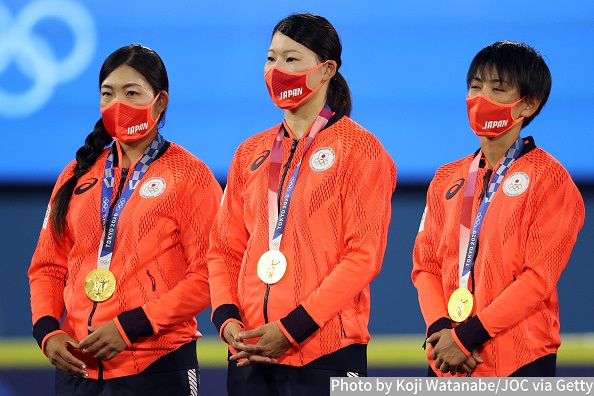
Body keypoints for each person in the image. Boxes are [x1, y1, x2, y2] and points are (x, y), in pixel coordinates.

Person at [207, 13, 396, 395]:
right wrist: (228, 319)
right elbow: (224, 248)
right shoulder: (250, 153)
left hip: (326, 351)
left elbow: (363, 256)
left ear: (326, 70)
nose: (277, 70)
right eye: (271, 58)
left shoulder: (361, 150)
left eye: (291, 59)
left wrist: (293, 328)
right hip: (249, 350)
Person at [28, 44, 222, 395]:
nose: (118, 104)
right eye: (108, 93)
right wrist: (46, 330)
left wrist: (132, 325)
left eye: (132, 93)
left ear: (160, 101)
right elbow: (48, 266)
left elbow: (210, 275)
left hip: (157, 367)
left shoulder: (190, 176)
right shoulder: (76, 174)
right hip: (78, 369)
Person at [412, 40, 586, 377]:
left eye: (498, 88)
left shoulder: (550, 180)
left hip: (519, 361)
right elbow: (426, 266)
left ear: (528, 104)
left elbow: (537, 279)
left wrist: (466, 338)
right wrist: (441, 331)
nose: (481, 98)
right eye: (475, 87)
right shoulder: (445, 178)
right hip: (446, 358)